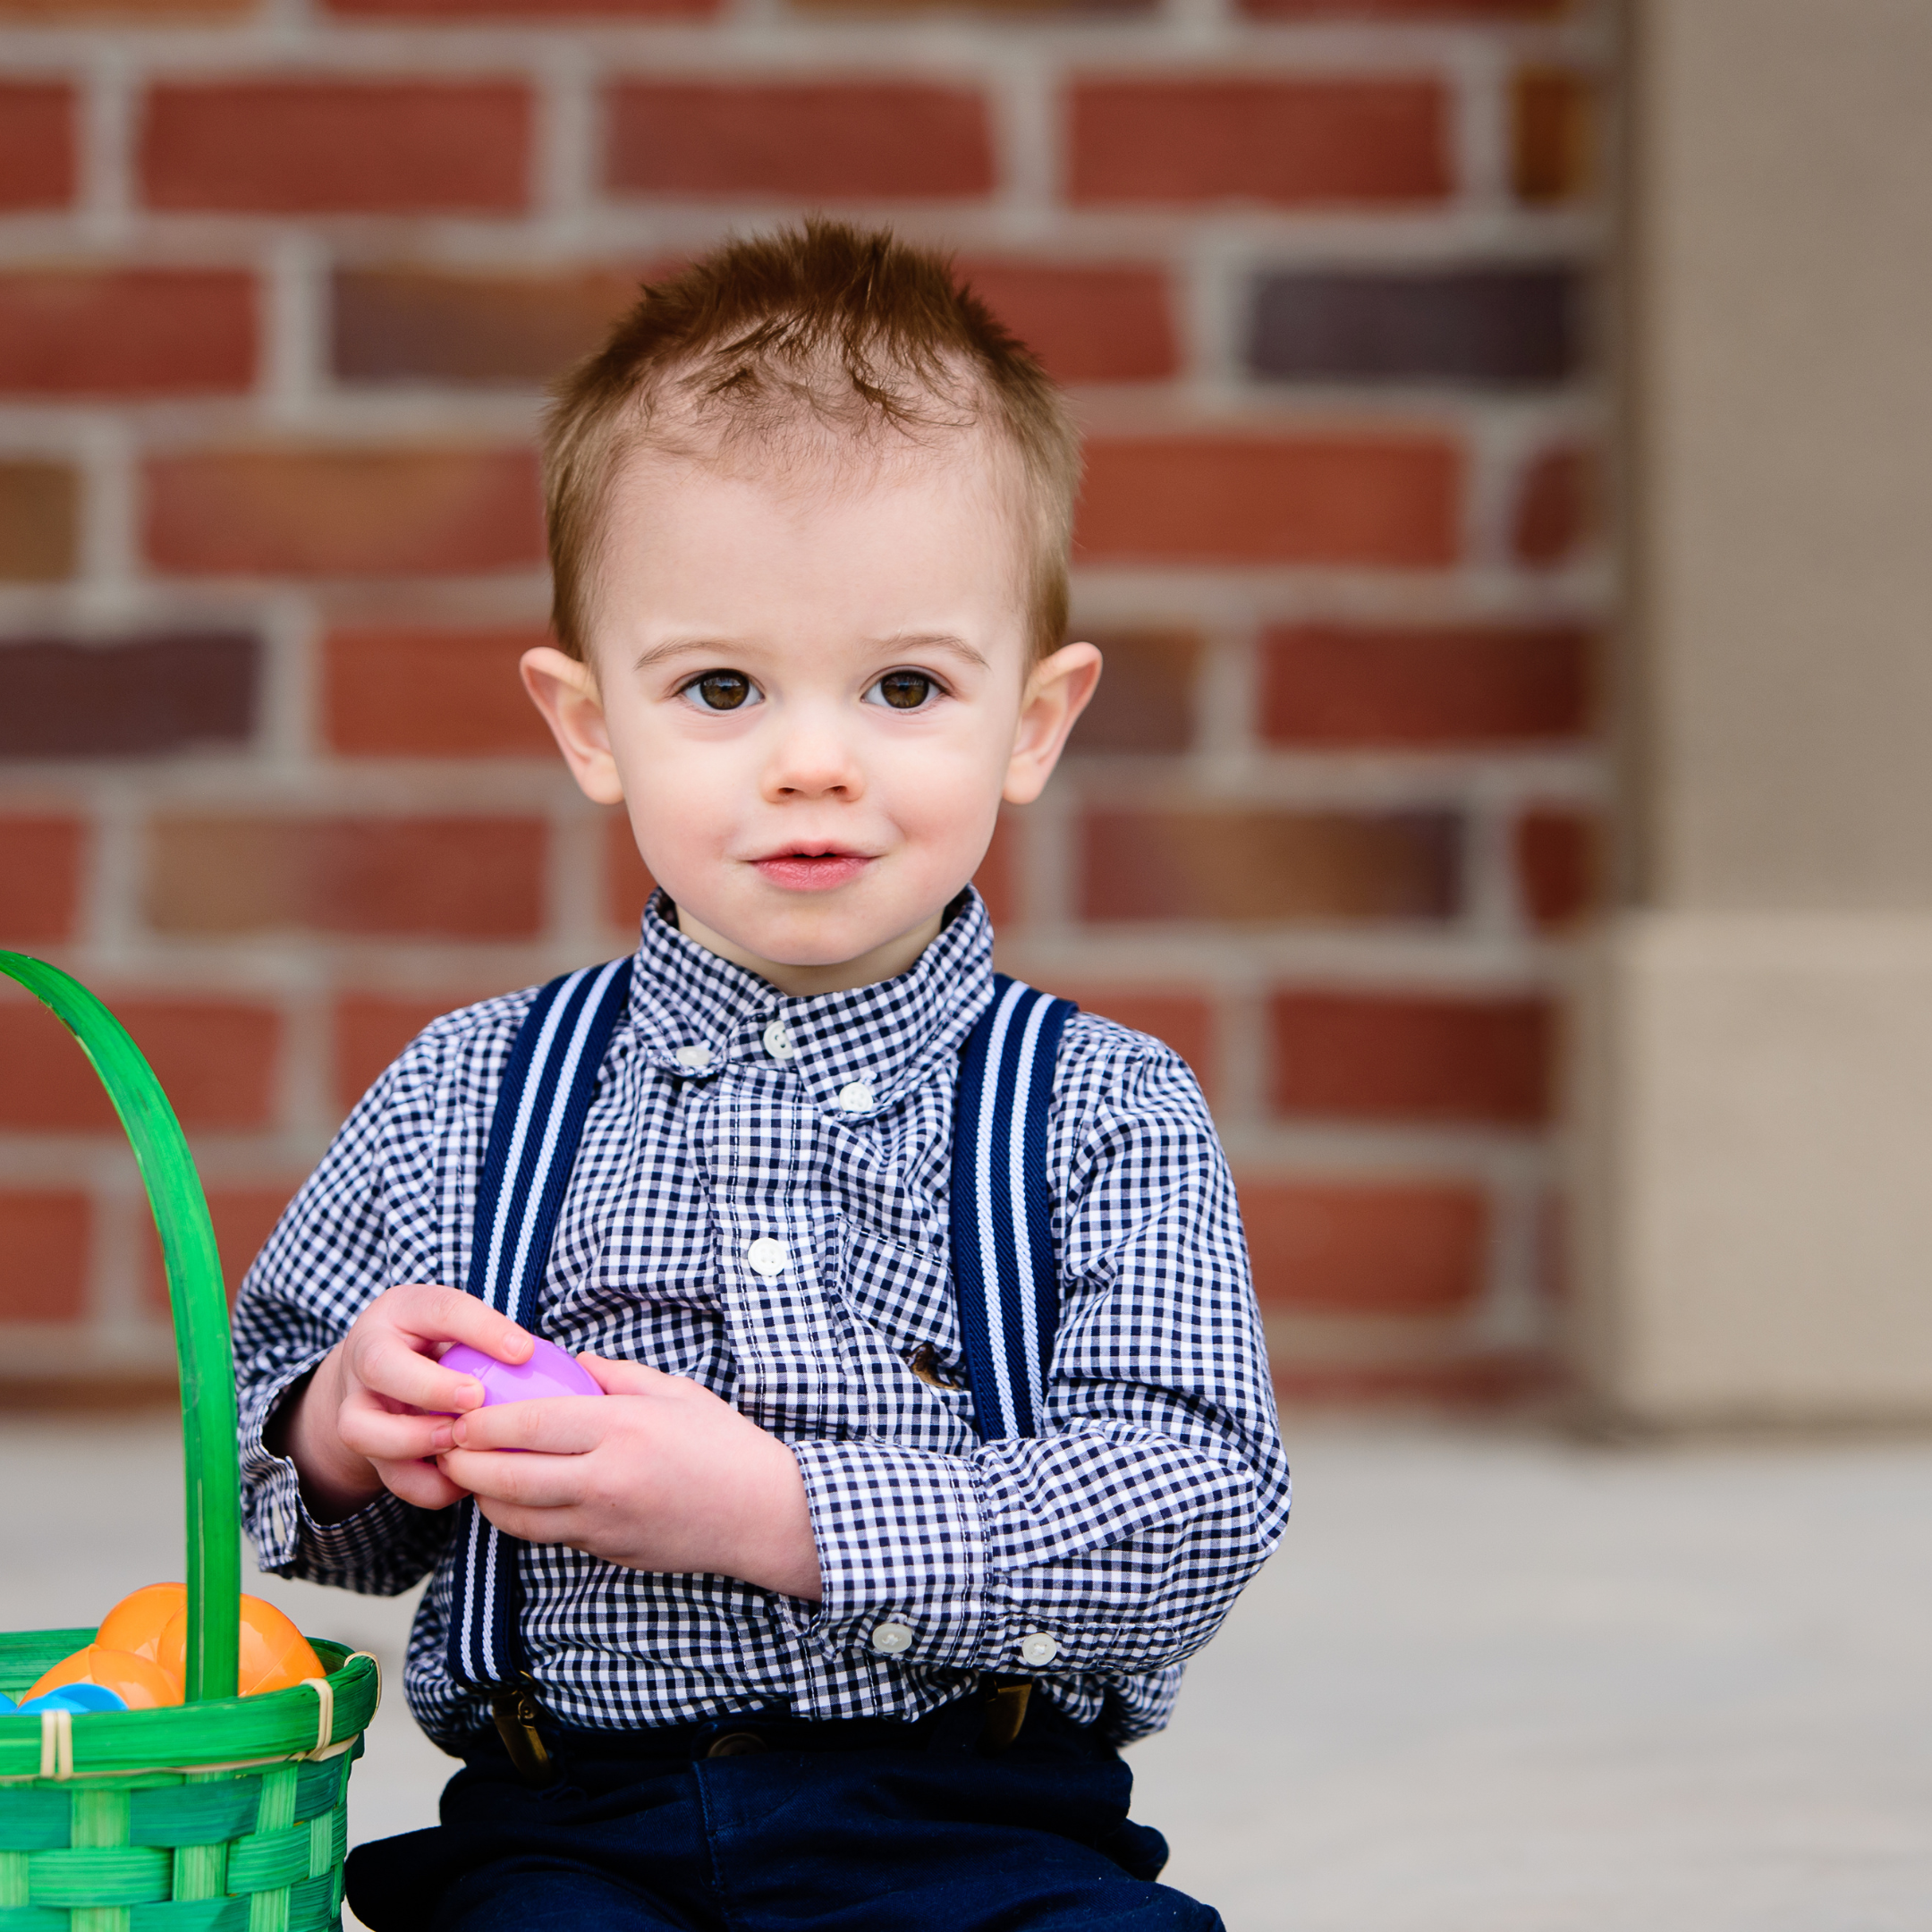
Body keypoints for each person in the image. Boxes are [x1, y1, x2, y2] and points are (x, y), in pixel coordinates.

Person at [230, 218, 1290, 1931]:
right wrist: (345, 1431)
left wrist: (785, 1513)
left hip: (972, 1821)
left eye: (904, 686)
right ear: (592, 728)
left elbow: (1190, 1503)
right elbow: (257, 1462)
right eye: (720, 687)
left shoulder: (1104, 1109)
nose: (812, 762)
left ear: (1033, 720)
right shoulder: (471, 1093)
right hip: (570, 1824)